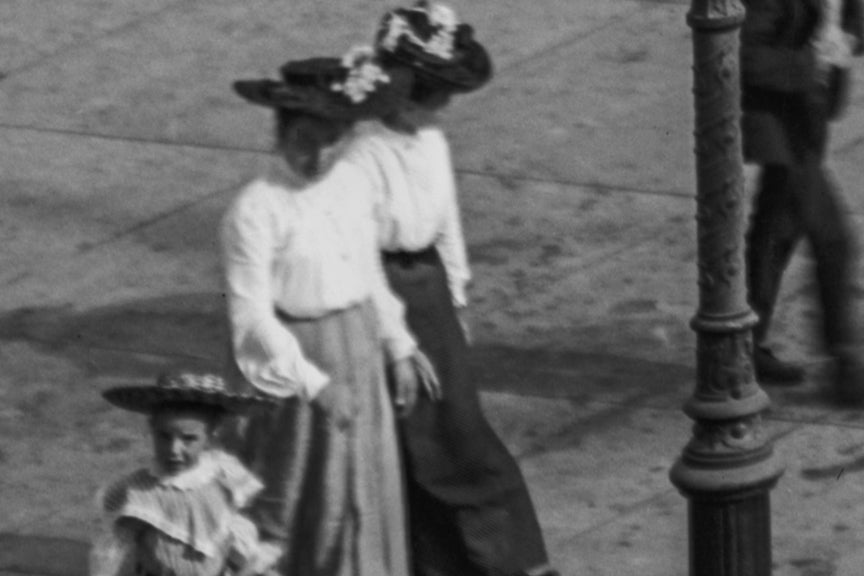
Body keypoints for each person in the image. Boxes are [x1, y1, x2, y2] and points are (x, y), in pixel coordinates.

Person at [344, 4, 558, 576]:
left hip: (432, 293)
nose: (437, 105)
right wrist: (397, 344)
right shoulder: (362, 153)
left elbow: (448, 227)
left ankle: (505, 559)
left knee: (457, 433)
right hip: (389, 300)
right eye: (428, 91)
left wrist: (458, 300)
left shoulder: (432, 143)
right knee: (425, 445)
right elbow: (360, 257)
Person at [221, 48, 437, 576]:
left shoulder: (354, 184)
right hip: (292, 367)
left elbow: (368, 276)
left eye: (331, 141)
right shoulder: (256, 208)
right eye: (303, 142)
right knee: (296, 499)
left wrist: (398, 345)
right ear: (279, 135)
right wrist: (315, 386)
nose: (317, 157)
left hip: (357, 351)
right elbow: (251, 320)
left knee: (364, 488)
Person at [740, 0, 864, 402]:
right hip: (778, 123)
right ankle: (845, 364)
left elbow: (851, 30)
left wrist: (844, 40)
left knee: (776, 232)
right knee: (833, 237)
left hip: (805, 119)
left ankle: (742, 347)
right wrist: (811, 65)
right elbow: (747, 56)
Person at [89, 369, 281, 576]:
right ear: (152, 429)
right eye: (164, 437)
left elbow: (235, 532)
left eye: (188, 439)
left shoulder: (223, 476)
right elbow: (115, 547)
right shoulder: (140, 490)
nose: (174, 450)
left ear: (211, 434)